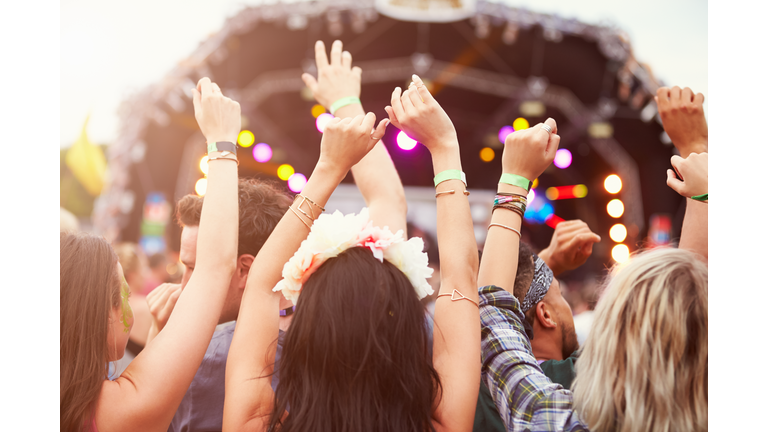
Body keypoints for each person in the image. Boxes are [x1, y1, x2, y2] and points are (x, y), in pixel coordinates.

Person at [224, 74, 481, 431]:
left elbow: (262, 284)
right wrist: (444, 147)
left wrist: (329, 167)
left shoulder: (256, 424)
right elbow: (461, 280)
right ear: (407, 333)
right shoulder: (444, 425)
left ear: (304, 338)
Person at [476, 92, 708, 431]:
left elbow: (494, 317)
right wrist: (696, 148)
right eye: (560, 296)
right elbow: (688, 302)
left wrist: (513, 179)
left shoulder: (541, 411)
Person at [60, 77, 240, 432]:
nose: (133, 305)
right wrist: (222, 142)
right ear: (99, 313)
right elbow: (215, 267)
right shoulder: (114, 412)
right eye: (125, 294)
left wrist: (159, 331)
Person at [112, 242, 152, 358]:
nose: (146, 275)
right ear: (133, 275)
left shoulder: (107, 307)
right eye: (144, 268)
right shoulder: (149, 307)